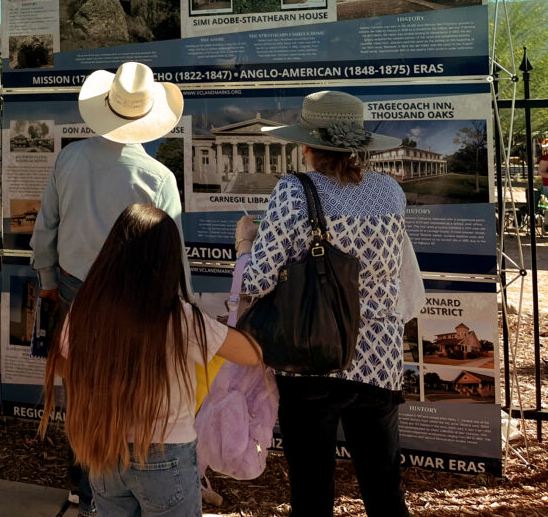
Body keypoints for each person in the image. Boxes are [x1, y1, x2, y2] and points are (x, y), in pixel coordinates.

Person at [235, 90, 419, 517]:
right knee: (385, 490)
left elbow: (259, 279)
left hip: (310, 355)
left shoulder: (293, 193)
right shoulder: (391, 192)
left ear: (307, 145)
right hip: (379, 358)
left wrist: (246, 243)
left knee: (312, 493)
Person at [30, 61, 187, 513]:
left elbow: (47, 229)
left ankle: (85, 482)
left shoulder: (69, 158)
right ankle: (124, 481)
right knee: (130, 390)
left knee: (81, 388)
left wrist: (45, 283)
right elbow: (172, 252)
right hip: (134, 302)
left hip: (75, 291)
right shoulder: (159, 178)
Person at [39, 203, 261, 517]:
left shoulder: (85, 307)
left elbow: (62, 362)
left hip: (104, 451)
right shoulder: (178, 316)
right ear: (168, 259)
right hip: (165, 454)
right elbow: (250, 353)